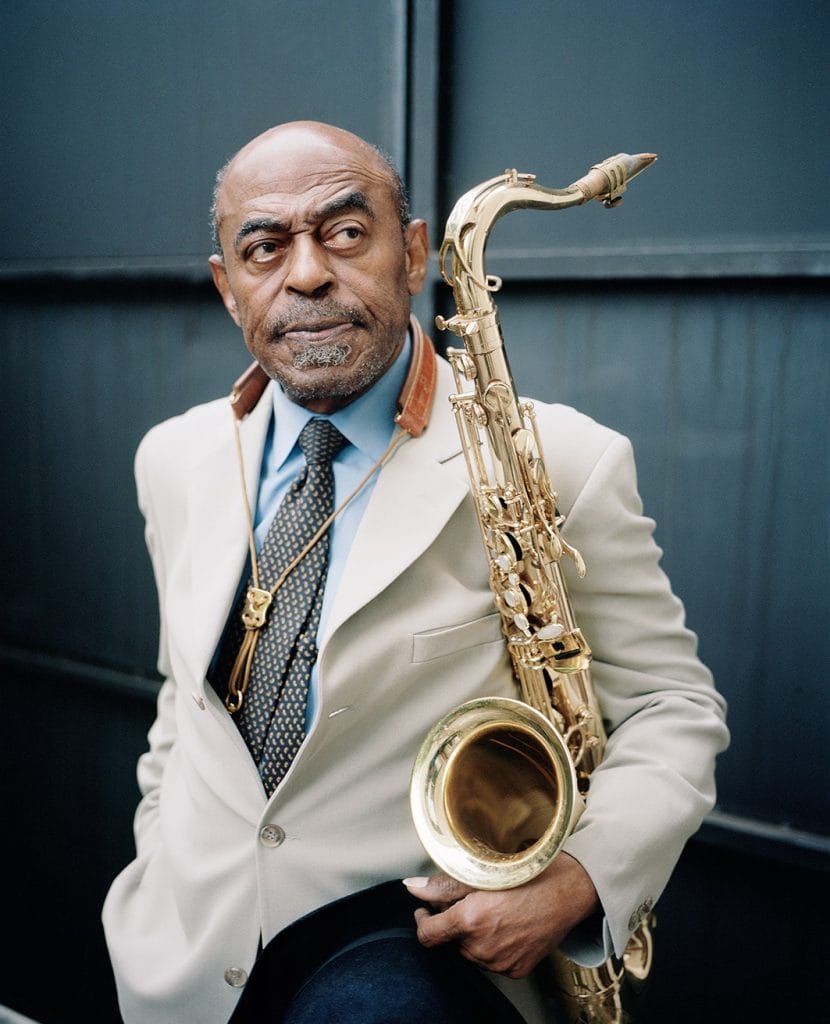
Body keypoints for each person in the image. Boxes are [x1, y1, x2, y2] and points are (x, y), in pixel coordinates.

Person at [102, 121, 729, 1024]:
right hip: (182, 968)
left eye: (346, 232)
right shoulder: (171, 457)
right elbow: (183, 705)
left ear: (414, 252)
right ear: (227, 287)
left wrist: (579, 879)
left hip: (409, 972)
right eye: (264, 248)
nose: (306, 273)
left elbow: (673, 707)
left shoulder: (560, 459)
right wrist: (155, 863)